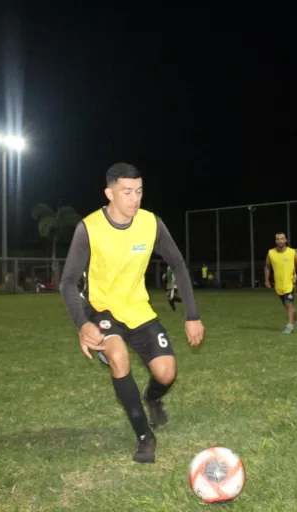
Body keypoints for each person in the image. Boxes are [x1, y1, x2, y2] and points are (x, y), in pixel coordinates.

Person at [60, 162, 205, 463]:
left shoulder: (151, 224)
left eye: (139, 191)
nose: (134, 199)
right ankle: (144, 436)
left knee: (166, 374)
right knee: (118, 354)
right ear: (109, 193)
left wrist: (191, 315)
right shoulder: (89, 228)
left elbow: (178, 264)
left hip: (138, 309)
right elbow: (68, 282)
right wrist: (81, 324)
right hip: (101, 310)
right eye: (127, 192)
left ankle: (152, 399)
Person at [264, 232, 297, 334]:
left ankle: (290, 326)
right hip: (278, 284)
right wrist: (266, 280)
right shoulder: (271, 253)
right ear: (275, 241)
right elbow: (267, 266)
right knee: (289, 306)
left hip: (290, 283)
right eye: (277, 239)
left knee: (288, 304)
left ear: (286, 240)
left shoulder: (292, 252)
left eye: (282, 238)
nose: (280, 241)